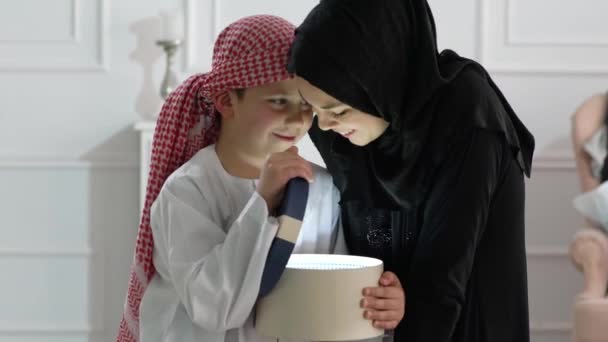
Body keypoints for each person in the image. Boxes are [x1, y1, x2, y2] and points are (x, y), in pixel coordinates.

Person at [116, 15, 404, 342]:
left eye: (305, 105)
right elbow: (214, 309)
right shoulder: (187, 190)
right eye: (279, 101)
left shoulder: (321, 188)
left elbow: (335, 299)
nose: (297, 119)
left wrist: (383, 307)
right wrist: (263, 203)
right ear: (226, 100)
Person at [287, 1, 536, 341]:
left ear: (379, 81)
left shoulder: (465, 117)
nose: (325, 125)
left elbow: (442, 283)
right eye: (314, 109)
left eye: (339, 111)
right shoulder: (347, 131)